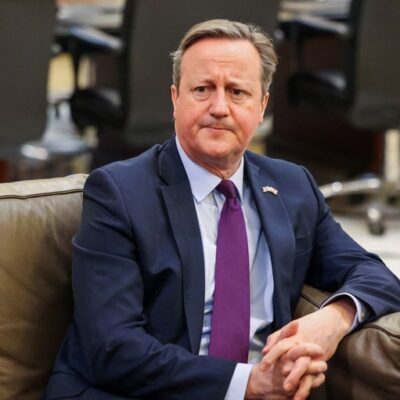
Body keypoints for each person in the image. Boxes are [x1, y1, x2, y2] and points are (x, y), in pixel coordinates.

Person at [43, 19, 400, 400]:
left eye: (237, 92)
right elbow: (113, 348)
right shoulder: (118, 193)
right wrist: (250, 383)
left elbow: (375, 275)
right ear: (175, 98)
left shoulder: (292, 186)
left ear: (262, 106)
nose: (219, 108)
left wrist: (333, 318)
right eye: (202, 89)